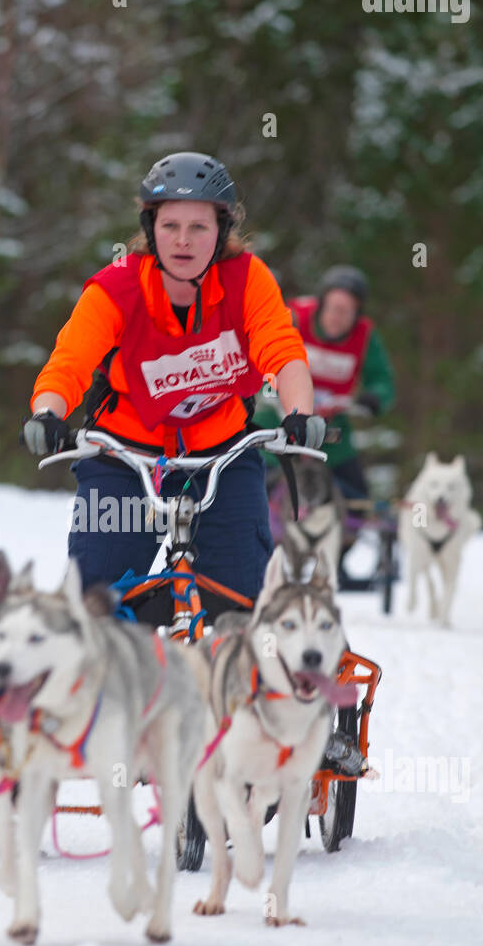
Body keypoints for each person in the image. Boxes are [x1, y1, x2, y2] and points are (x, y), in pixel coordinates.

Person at [20, 151, 323, 619]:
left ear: (221, 231)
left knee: (243, 608)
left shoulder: (247, 280)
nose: (183, 241)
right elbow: (69, 362)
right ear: (150, 228)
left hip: (221, 452)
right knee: (94, 608)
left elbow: (282, 352)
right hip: (125, 456)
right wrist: (48, 413)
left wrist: (299, 413)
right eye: (170, 226)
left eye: (199, 227)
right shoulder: (115, 289)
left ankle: (235, 685)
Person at [256, 264, 395, 500]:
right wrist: (272, 393)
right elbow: (261, 357)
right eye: (333, 309)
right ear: (321, 304)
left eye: (346, 312)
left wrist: (374, 397)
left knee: (355, 493)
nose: (337, 318)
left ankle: (349, 525)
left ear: (357, 313)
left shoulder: (364, 337)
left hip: (329, 427)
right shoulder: (295, 318)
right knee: (260, 476)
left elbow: (382, 381)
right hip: (278, 418)